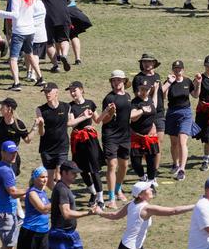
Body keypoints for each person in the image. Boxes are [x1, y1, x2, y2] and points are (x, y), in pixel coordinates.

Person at [9, 167, 52, 249]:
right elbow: (43, 209)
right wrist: (58, 200)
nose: (45, 179)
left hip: (44, 232)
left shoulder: (43, 192)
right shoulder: (32, 193)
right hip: (30, 233)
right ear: (34, 178)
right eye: (41, 177)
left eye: (46, 177)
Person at [0, 0, 41, 91]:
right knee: (30, 55)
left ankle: (16, 83)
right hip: (30, 31)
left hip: (19, 31)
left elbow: (15, 15)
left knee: (13, 58)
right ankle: (40, 78)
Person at [100, 69, 134, 207]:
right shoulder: (109, 98)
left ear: (124, 81)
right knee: (112, 165)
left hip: (125, 135)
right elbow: (104, 121)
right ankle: (111, 198)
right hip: (110, 136)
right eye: (114, 80)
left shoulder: (128, 96)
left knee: (124, 165)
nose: (116, 82)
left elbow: (129, 115)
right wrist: (110, 113)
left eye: (119, 80)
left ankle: (118, 188)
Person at [66, 81, 103, 206]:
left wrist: (108, 111)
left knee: (94, 170)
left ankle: (101, 199)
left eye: (74, 90)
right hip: (78, 140)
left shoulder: (90, 103)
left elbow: (97, 120)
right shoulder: (70, 106)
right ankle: (93, 193)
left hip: (90, 140)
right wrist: (83, 115)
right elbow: (70, 123)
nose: (72, 93)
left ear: (81, 90)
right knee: (81, 170)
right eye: (70, 91)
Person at [163, 60, 198, 181]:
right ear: (173, 70)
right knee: (173, 143)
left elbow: (195, 95)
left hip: (185, 113)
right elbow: (163, 96)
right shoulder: (169, 81)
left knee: (182, 142)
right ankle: (175, 164)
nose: (177, 70)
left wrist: (198, 84)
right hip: (172, 113)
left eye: (179, 69)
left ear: (183, 70)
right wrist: (168, 82)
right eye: (175, 68)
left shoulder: (188, 81)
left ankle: (182, 170)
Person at [0, 97, 30, 176]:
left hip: (13, 159)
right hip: (1, 157)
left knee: (9, 183)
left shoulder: (19, 124)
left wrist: (35, 128)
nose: (0, 109)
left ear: (9, 109)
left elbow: (27, 140)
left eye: (2, 107)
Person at [128, 79, 160, 186]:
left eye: (146, 89)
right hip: (137, 136)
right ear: (138, 89)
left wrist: (155, 91)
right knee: (135, 163)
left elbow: (154, 105)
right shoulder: (135, 102)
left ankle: (151, 181)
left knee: (151, 161)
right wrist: (142, 110)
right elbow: (131, 116)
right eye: (142, 89)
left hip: (150, 136)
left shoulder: (150, 100)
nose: (143, 91)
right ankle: (142, 177)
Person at [34, 82, 71, 171]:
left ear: (56, 92)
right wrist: (41, 125)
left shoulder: (66, 107)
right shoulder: (40, 110)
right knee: (50, 178)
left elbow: (69, 123)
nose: (47, 94)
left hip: (62, 147)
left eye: (49, 91)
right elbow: (41, 133)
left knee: (60, 172)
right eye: (45, 92)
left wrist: (83, 117)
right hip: (47, 148)